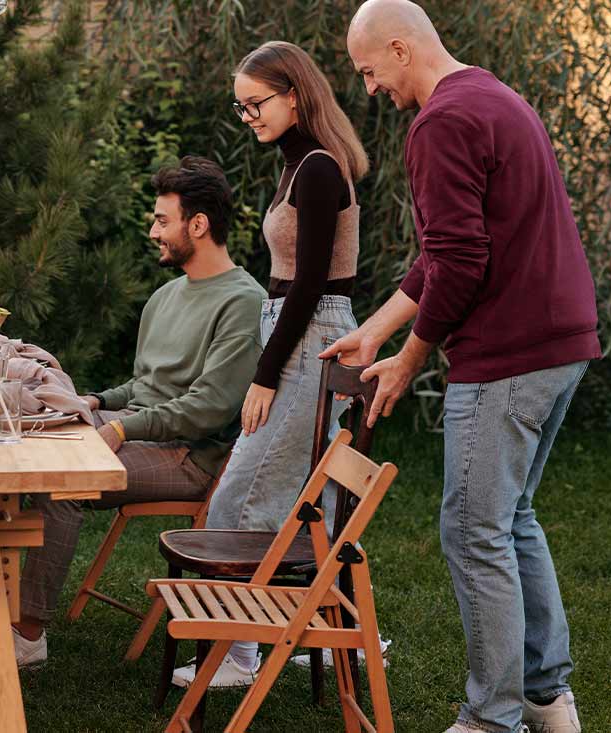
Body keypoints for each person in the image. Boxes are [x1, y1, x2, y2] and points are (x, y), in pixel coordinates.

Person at [333, 3, 598, 731]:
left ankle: (492, 717)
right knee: (510, 520)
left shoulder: (441, 121)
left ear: (397, 47)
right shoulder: (494, 95)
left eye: (369, 72)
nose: (371, 89)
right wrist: (374, 331)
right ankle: (547, 699)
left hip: (506, 356)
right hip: (561, 345)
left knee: (472, 529)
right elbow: (443, 253)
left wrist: (409, 358)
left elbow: (460, 262)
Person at [0, 156, 265, 669]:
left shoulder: (243, 302)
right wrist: (95, 402)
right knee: (8, 443)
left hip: (189, 456)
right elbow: (147, 385)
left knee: (61, 484)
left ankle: (26, 636)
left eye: (163, 219)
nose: (153, 230)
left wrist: (118, 427)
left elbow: (208, 408)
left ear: (198, 225)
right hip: (141, 432)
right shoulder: (166, 296)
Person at [174, 40, 371, 690]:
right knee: (258, 487)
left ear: (293, 93)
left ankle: (239, 653)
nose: (248, 115)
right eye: (241, 107)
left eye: (255, 103)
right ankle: (291, 635)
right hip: (295, 329)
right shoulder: (297, 165)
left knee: (244, 492)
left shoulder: (317, 168)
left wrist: (265, 373)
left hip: (309, 337)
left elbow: (312, 281)